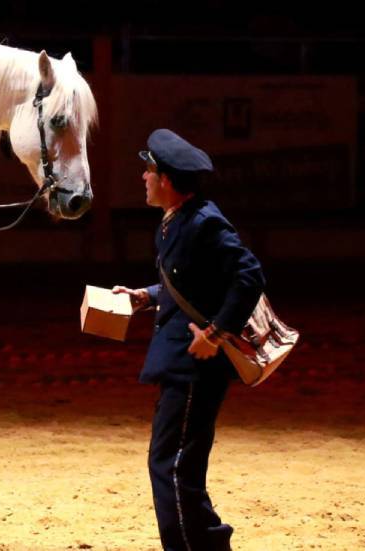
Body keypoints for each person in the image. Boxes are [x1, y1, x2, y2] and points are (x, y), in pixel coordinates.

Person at [112, 129, 265, 551]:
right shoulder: (177, 220)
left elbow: (249, 276)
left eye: (148, 170)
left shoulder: (204, 222)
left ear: (166, 180)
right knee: (177, 464)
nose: (143, 177)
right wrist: (146, 295)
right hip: (181, 361)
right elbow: (192, 281)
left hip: (196, 364)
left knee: (173, 466)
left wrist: (216, 333)